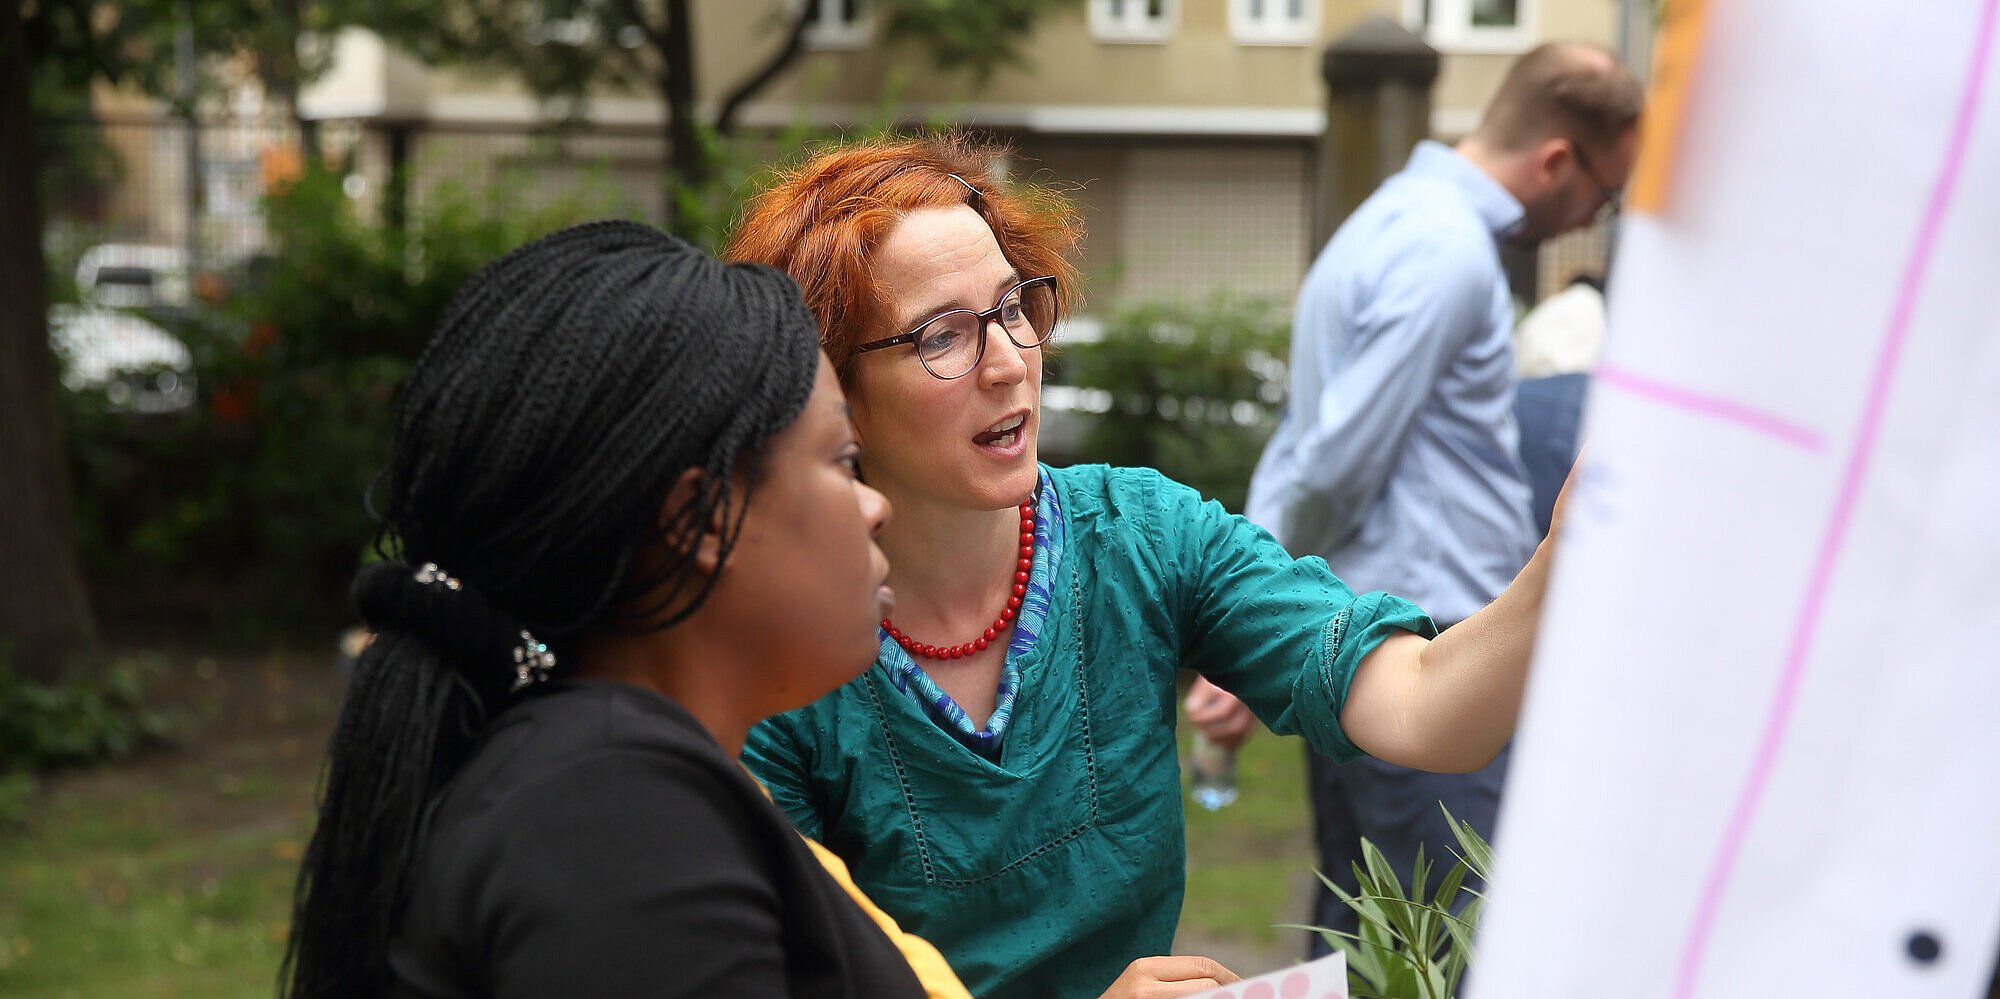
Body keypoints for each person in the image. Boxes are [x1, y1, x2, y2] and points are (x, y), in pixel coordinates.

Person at [725, 133, 1563, 999]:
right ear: (831, 386)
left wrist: (1568, 552)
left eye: (1015, 306)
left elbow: (1427, 706)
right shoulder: (778, 665)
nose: (1011, 362)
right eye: (944, 335)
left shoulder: (1140, 535)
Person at [281, 221, 973, 998]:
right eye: (845, 462)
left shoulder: (614, 781)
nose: (875, 507)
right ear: (700, 520)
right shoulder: (615, 815)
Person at [1243, 42, 1642, 953]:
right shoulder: (1448, 252)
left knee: (1359, 951)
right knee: (1460, 951)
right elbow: (1339, 458)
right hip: (1432, 662)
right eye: (1602, 194)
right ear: (1554, 161)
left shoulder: (1386, 219)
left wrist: (1264, 600)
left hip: (1363, 653)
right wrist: (1254, 596)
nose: (1592, 215)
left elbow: (1303, 440)